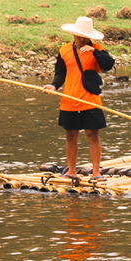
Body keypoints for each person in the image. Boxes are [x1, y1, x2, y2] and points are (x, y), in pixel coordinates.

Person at [50, 16, 115, 177]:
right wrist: (53, 85)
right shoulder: (64, 50)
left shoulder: (98, 50)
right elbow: (60, 73)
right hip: (69, 100)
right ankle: (71, 171)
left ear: (89, 37)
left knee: (93, 135)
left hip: (90, 101)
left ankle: (96, 172)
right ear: (73, 34)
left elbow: (108, 64)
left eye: (84, 37)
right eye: (78, 36)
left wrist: (94, 52)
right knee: (70, 136)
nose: (81, 39)